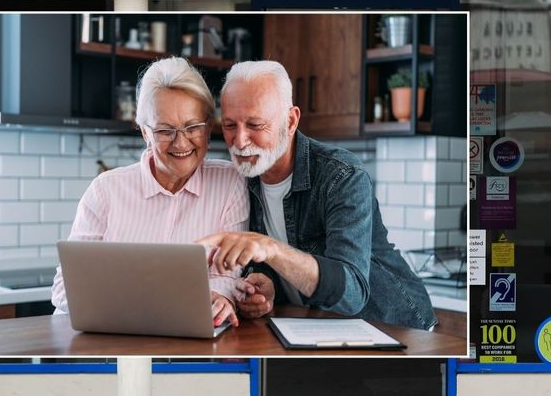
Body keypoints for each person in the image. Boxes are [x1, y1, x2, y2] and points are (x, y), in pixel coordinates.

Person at [197, 60, 437, 330]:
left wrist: (270, 248)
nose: (239, 141)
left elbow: (352, 293)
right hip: (318, 329)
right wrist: (268, 286)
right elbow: (279, 259)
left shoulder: (342, 175)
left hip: (395, 327)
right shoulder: (243, 179)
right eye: (230, 125)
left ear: (290, 121)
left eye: (255, 124)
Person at [51, 57, 250, 327]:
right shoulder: (106, 190)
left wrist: (220, 297)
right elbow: (65, 288)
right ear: (144, 132)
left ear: (208, 125)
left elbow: (228, 275)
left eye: (192, 127)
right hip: (104, 339)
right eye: (165, 130)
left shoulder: (230, 183)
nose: (181, 142)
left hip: (184, 339)